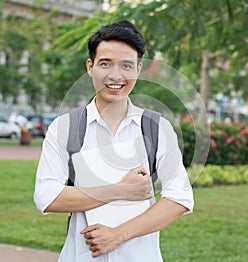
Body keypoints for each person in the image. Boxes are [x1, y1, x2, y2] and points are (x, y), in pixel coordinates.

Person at [34, 20, 194, 262]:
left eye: (126, 66)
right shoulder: (65, 128)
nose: (116, 76)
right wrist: (122, 190)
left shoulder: (156, 128)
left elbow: (179, 198)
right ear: (90, 66)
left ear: (139, 69)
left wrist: (118, 235)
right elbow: (47, 197)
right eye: (105, 64)